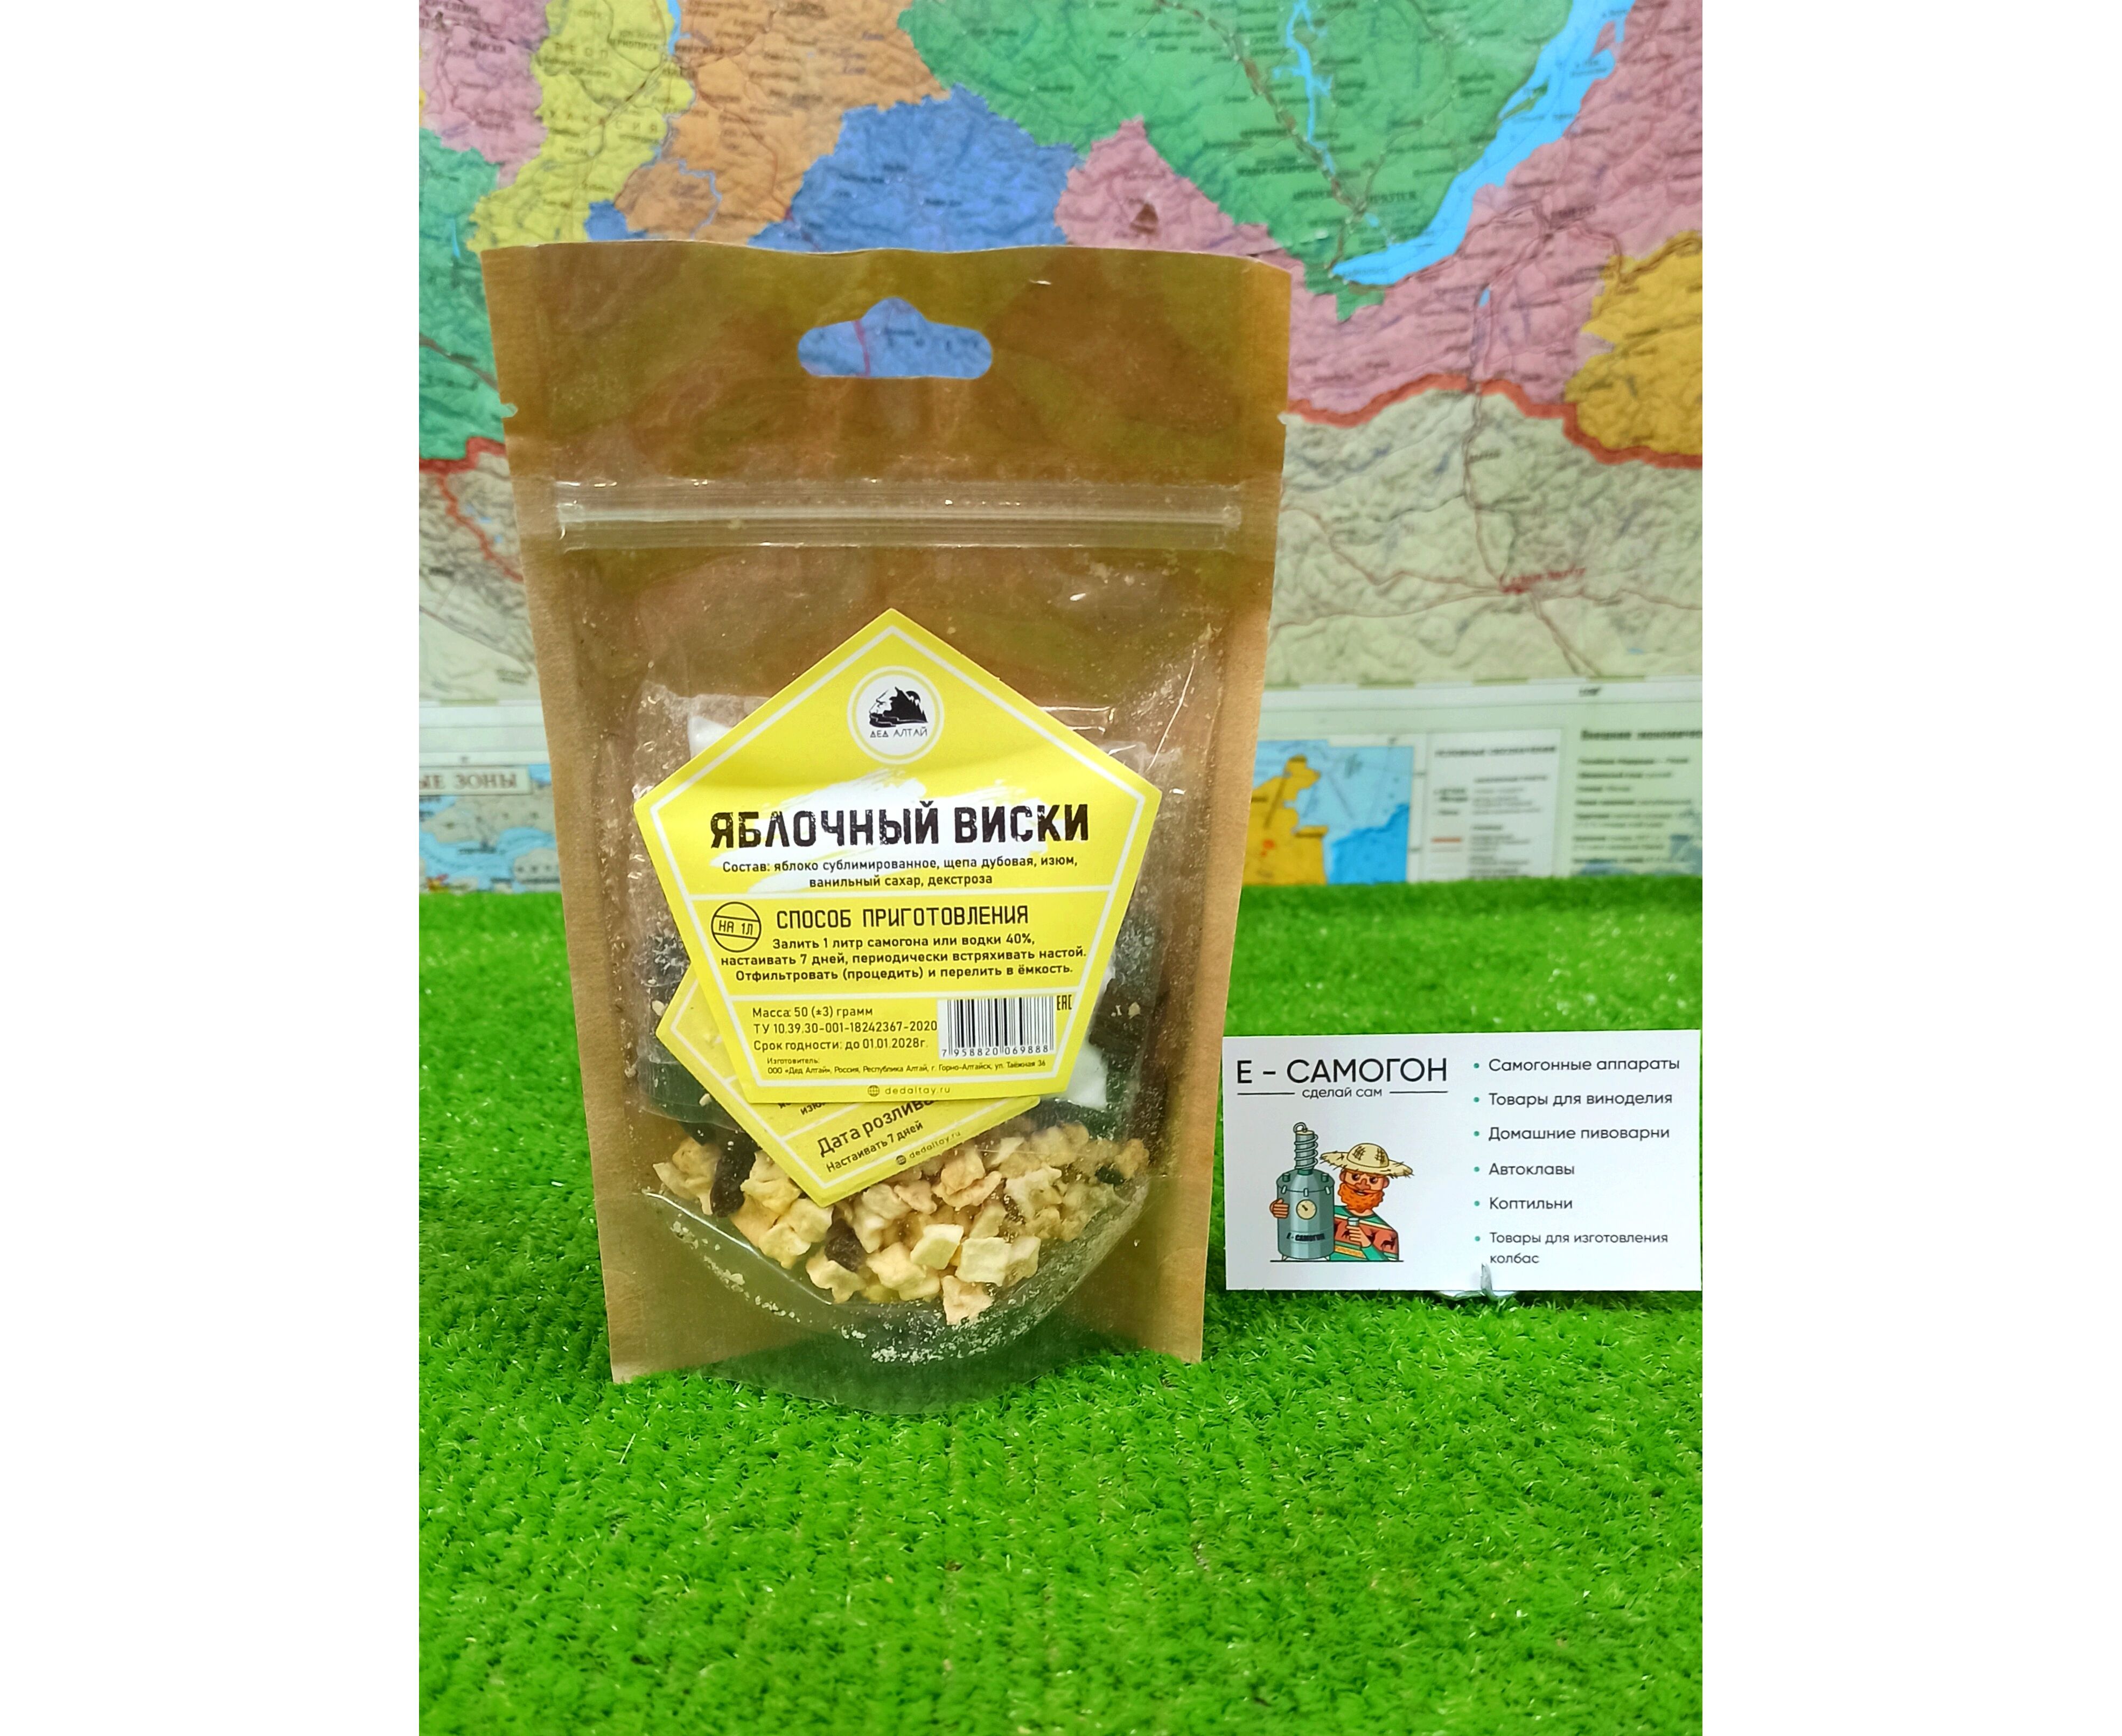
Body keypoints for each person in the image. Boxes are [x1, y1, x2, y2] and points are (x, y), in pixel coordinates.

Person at [1268, 1141, 1412, 1260]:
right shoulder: (1326, 1215)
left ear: (1384, 1183)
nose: (1362, 1185)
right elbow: (1301, 1223)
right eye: (1355, 1177)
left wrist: (1367, 1245)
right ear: (1343, 1176)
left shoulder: (1387, 1234)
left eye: (1373, 1180)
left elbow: (1391, 1272)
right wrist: (1280, 1210)